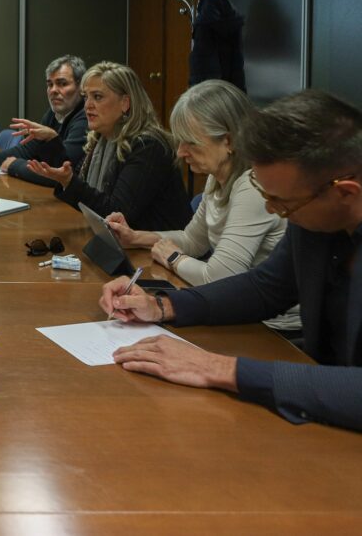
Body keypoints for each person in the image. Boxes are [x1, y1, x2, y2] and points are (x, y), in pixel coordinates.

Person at [101, 90, 362, 431]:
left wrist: (220, 369)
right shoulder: (316, 212)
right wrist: (162, 306)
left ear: (346, 192)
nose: (272, 210)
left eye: (282, 203)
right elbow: (267, 287)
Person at [106, 80, 300, 333]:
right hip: (240, 312)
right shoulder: (217, 176)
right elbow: (193, 240)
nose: (180, 152)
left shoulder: (253, 186)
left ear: (228, 142)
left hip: (273, 329)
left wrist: (174, 258)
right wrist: (136, 237)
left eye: (191, 143)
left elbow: (220, 277)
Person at [27, 61, 192, 231]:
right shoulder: (101, 140)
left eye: (97, 97)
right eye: (86, 97)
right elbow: (81, 188)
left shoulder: (148, 147)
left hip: (160, 251)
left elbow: (116, 214)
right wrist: (53, 142)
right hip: (125, 245)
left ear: (125, 103)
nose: (87, 105)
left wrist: (69, 182)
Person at [0, 55, 89, 187]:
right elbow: (27, 151)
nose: (53, 90)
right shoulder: (53, 114)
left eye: (62, 84)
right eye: (50, 84)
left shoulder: (86, 118)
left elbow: (61, 174)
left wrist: (15, 166)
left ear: (81, 87)